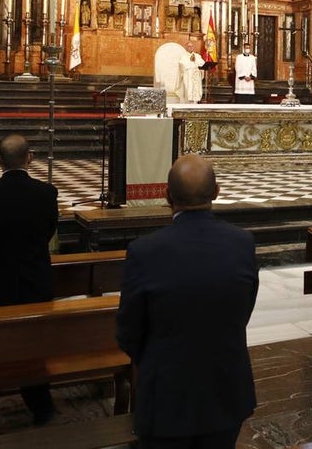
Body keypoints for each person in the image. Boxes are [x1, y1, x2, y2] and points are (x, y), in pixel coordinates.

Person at [117, 155, 258, 448]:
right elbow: (243, 310)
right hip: (226, 389)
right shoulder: (242, 243)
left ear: (166, 195)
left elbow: (129, 333)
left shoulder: (144, 252)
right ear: (217, 192)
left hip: (166, 393)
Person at [0, 134, 60, 434]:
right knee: (32, 345)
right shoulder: (46, 193)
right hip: (34, 282)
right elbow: (48, 232)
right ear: (29, 158)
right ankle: (41, 406)